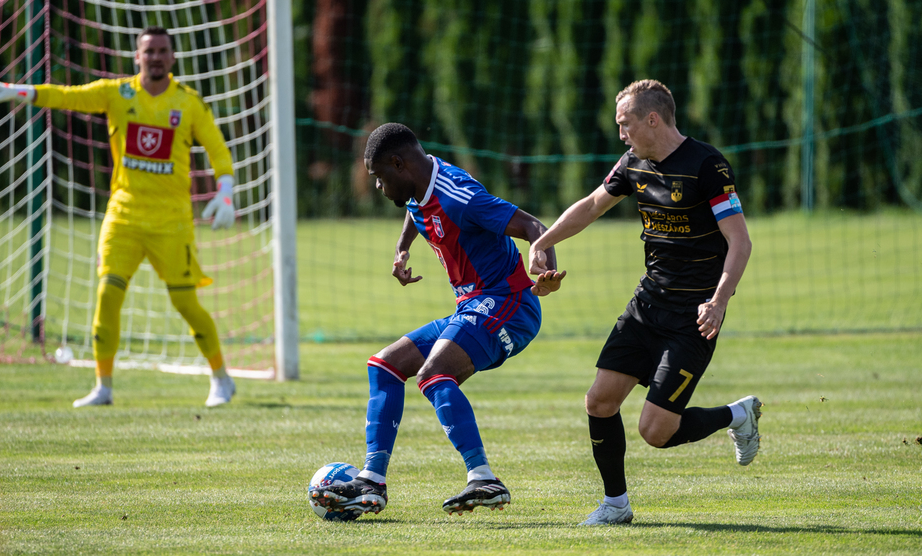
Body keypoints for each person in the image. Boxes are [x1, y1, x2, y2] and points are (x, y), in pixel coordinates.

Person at [528, 79, 760, 525]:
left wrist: (718, 301)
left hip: (693, 316)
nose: (621, 134)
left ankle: (737, 415)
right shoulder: (633, 162)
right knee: (599, 401)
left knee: (655, 432)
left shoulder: (707, 165)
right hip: (646, 305)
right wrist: (544, 240)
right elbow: (592, 205)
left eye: (625, 124)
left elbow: (740, 242)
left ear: (652, 119)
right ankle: (616, 505)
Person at [310, 123, 565, 517]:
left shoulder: (460, 197)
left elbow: (535, 226)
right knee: (384, 365)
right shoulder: (419, 183)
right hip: (473, 307)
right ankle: (371, 480)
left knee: (434, 374)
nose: (377, 186)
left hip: (510, 305)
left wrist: (543, 268)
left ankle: (483, 477)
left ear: (399, 164)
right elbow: (416, 209)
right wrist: (402, 249)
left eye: (379, 176)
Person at [0, 26, 238, 408]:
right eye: (149, 51)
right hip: (123, 216)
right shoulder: (117, 93)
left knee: (186, 304)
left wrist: (226, 191)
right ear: (137, 56)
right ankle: (103, 387)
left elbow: (217, 148)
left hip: (172, 222)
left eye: (162, 51)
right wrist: (19, 91)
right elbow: (66, 96)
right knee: (107, 294)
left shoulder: (188, 102)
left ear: (173, 57)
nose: (156, 57)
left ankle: (221, 379)